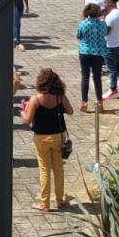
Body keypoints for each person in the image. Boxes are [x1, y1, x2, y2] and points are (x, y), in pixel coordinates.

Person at [21, 68, 74, 212]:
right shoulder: (60, 97)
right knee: (58, 168)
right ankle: (60, 200)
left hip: (41, 137)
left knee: (44, 169)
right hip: (58, 135)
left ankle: (44, 203)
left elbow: (27, 119)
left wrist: (22, 111)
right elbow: (70, 111)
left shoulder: (36, 99)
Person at [76, 3, 109, 112]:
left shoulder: (83, 24)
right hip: (98, 53)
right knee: (97, 77)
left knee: (85, 76)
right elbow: (105, 33)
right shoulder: (102, 24)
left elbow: (78, 36)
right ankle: (100, 102)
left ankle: (84, 102)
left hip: (85, 52)